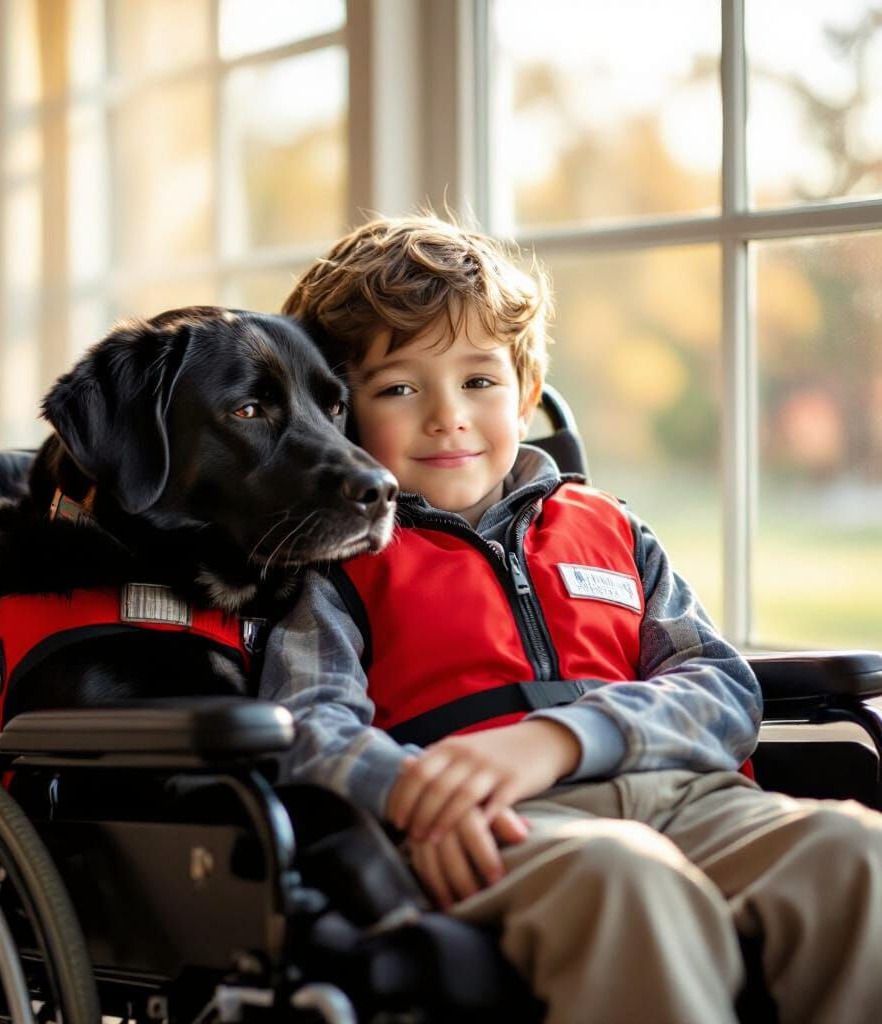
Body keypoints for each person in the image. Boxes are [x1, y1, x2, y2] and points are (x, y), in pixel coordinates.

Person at [259, 213, 882, 1024]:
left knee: (856, 852)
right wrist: (420, 795)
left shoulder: (613, 530)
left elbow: (723, 689)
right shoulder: (333, 564)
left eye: (478, 381)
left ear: (523, 391)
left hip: (685, 796)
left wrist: (561, 737)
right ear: (338, 415)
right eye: (400, 388)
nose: (448, 416)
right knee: (630, 883)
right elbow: (310, 730)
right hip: (500, 829)